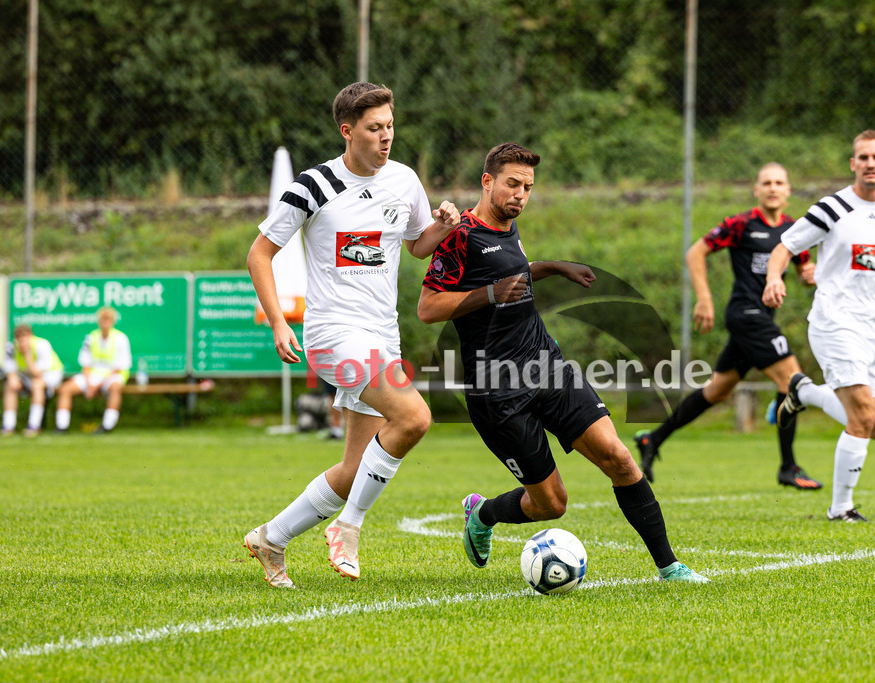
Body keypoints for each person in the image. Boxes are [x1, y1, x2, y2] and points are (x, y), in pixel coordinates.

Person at [417, 142, 708, 583]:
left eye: (528, 187)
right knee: (551, 504)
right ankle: (483, 513)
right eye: (512, 184)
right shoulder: (460, 235)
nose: (520, 195)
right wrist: (490, 294)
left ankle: (670, 568)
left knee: (619, 458)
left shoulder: (508, 227)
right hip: (497, 390)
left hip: (546, 366)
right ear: (487, 181)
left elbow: (510, 269)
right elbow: (428, 307)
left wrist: (552, 267)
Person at [243, 82, 460, 588]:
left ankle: (271, 539)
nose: (386, 137)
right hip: (333, 333)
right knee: (414, 417)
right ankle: (348, 528)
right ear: (347, 131)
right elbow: (260, 254)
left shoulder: (404, 180)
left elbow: (416, 245)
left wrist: (445, 227)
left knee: (355, 469)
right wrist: (278, 321)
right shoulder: (313, 185)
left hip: (382, 335)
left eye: (390, 126)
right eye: (374, 128)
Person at [632, 163, 823, 489]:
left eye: (779, 182)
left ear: (788, 190)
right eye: (766, 183)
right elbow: (696, 252)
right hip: (746, 314)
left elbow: (805, 272)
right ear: (756, 190)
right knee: (792, 380)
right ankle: (788, 467)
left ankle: (653, 438)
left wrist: (809, 276)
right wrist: (704, 298)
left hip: (762, 319)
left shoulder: (794, 230)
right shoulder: (741, 224)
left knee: (717, 390)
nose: (773, 188)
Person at [763, 130, 875, 522]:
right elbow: (785, 246)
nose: (870, 163)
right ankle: (841, 508)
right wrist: (774, 278)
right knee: (862, 415)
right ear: (853, 164)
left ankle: (805, 391)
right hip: (835, 321)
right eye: (863, 157)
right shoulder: (832, 207)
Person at [55, 307, 131, 434]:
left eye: (108, 319)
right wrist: (89, 383)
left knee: (116, 388)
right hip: (92, 376)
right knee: (65, 389)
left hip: (112, 376)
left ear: (113, 322)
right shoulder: (91, 337)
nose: (105, 323)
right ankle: (61, 426)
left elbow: (118, 368)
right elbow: (85, 365)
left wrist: (96, 386)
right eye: (102, 319)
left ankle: (107, 426)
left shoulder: (121, 338)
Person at [2, 324, 64, 437]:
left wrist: (27, 355)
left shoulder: (42, 344)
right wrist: (13, 379)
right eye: (19, 340)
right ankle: (8, 426)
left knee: (37, 385)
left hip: (50, 375)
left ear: (31, 336)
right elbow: (10, 370)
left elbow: (37, 374)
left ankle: (33, 425)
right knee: (9, 386)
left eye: (25, 339)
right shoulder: (11, 348)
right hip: (28, 376)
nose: (22, 343)